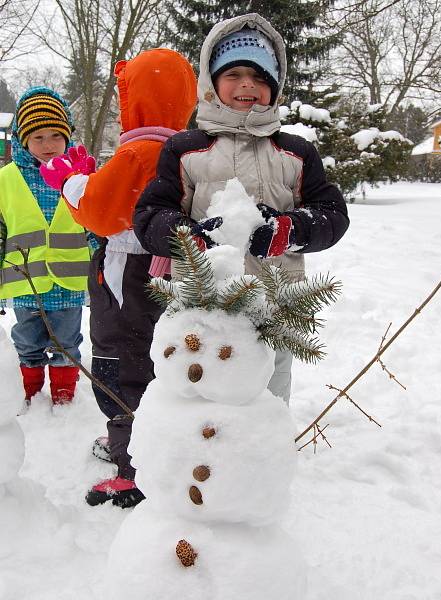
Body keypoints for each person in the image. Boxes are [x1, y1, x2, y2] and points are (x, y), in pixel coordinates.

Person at [133, 13, 350, 405]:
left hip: (275, 308)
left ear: (275, 86)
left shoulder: (295, 152)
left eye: (260, 75)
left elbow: (331, 213)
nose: (248, 84)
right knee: (198, 403)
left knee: (267, 400)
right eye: (233, 74)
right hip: (202, 306)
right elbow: (150, 215)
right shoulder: (185, 149)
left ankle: (262, 463)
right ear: (211, 83)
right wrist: (191, 237)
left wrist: (290, 229)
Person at [40, 49, 197, 508]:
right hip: (162, 275)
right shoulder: (183, 148)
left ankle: (132, 466)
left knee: (120, 362)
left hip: (127, 277)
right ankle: (137, 443)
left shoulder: (141, 149)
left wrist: (71, 184)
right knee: (150, 361)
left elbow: (101, 212)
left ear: (140, 99)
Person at [0, 86, 91, 406]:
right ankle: (30, 385)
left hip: (69, 281)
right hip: (25, 280)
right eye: (38, 137)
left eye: (56, 135)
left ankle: (64, 391)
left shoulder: (82, 176)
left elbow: (95, 222)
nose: (48, 144)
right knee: (27, 339)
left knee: (67, 342)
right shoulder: (7, 179)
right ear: (23, 140)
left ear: (68, 137)